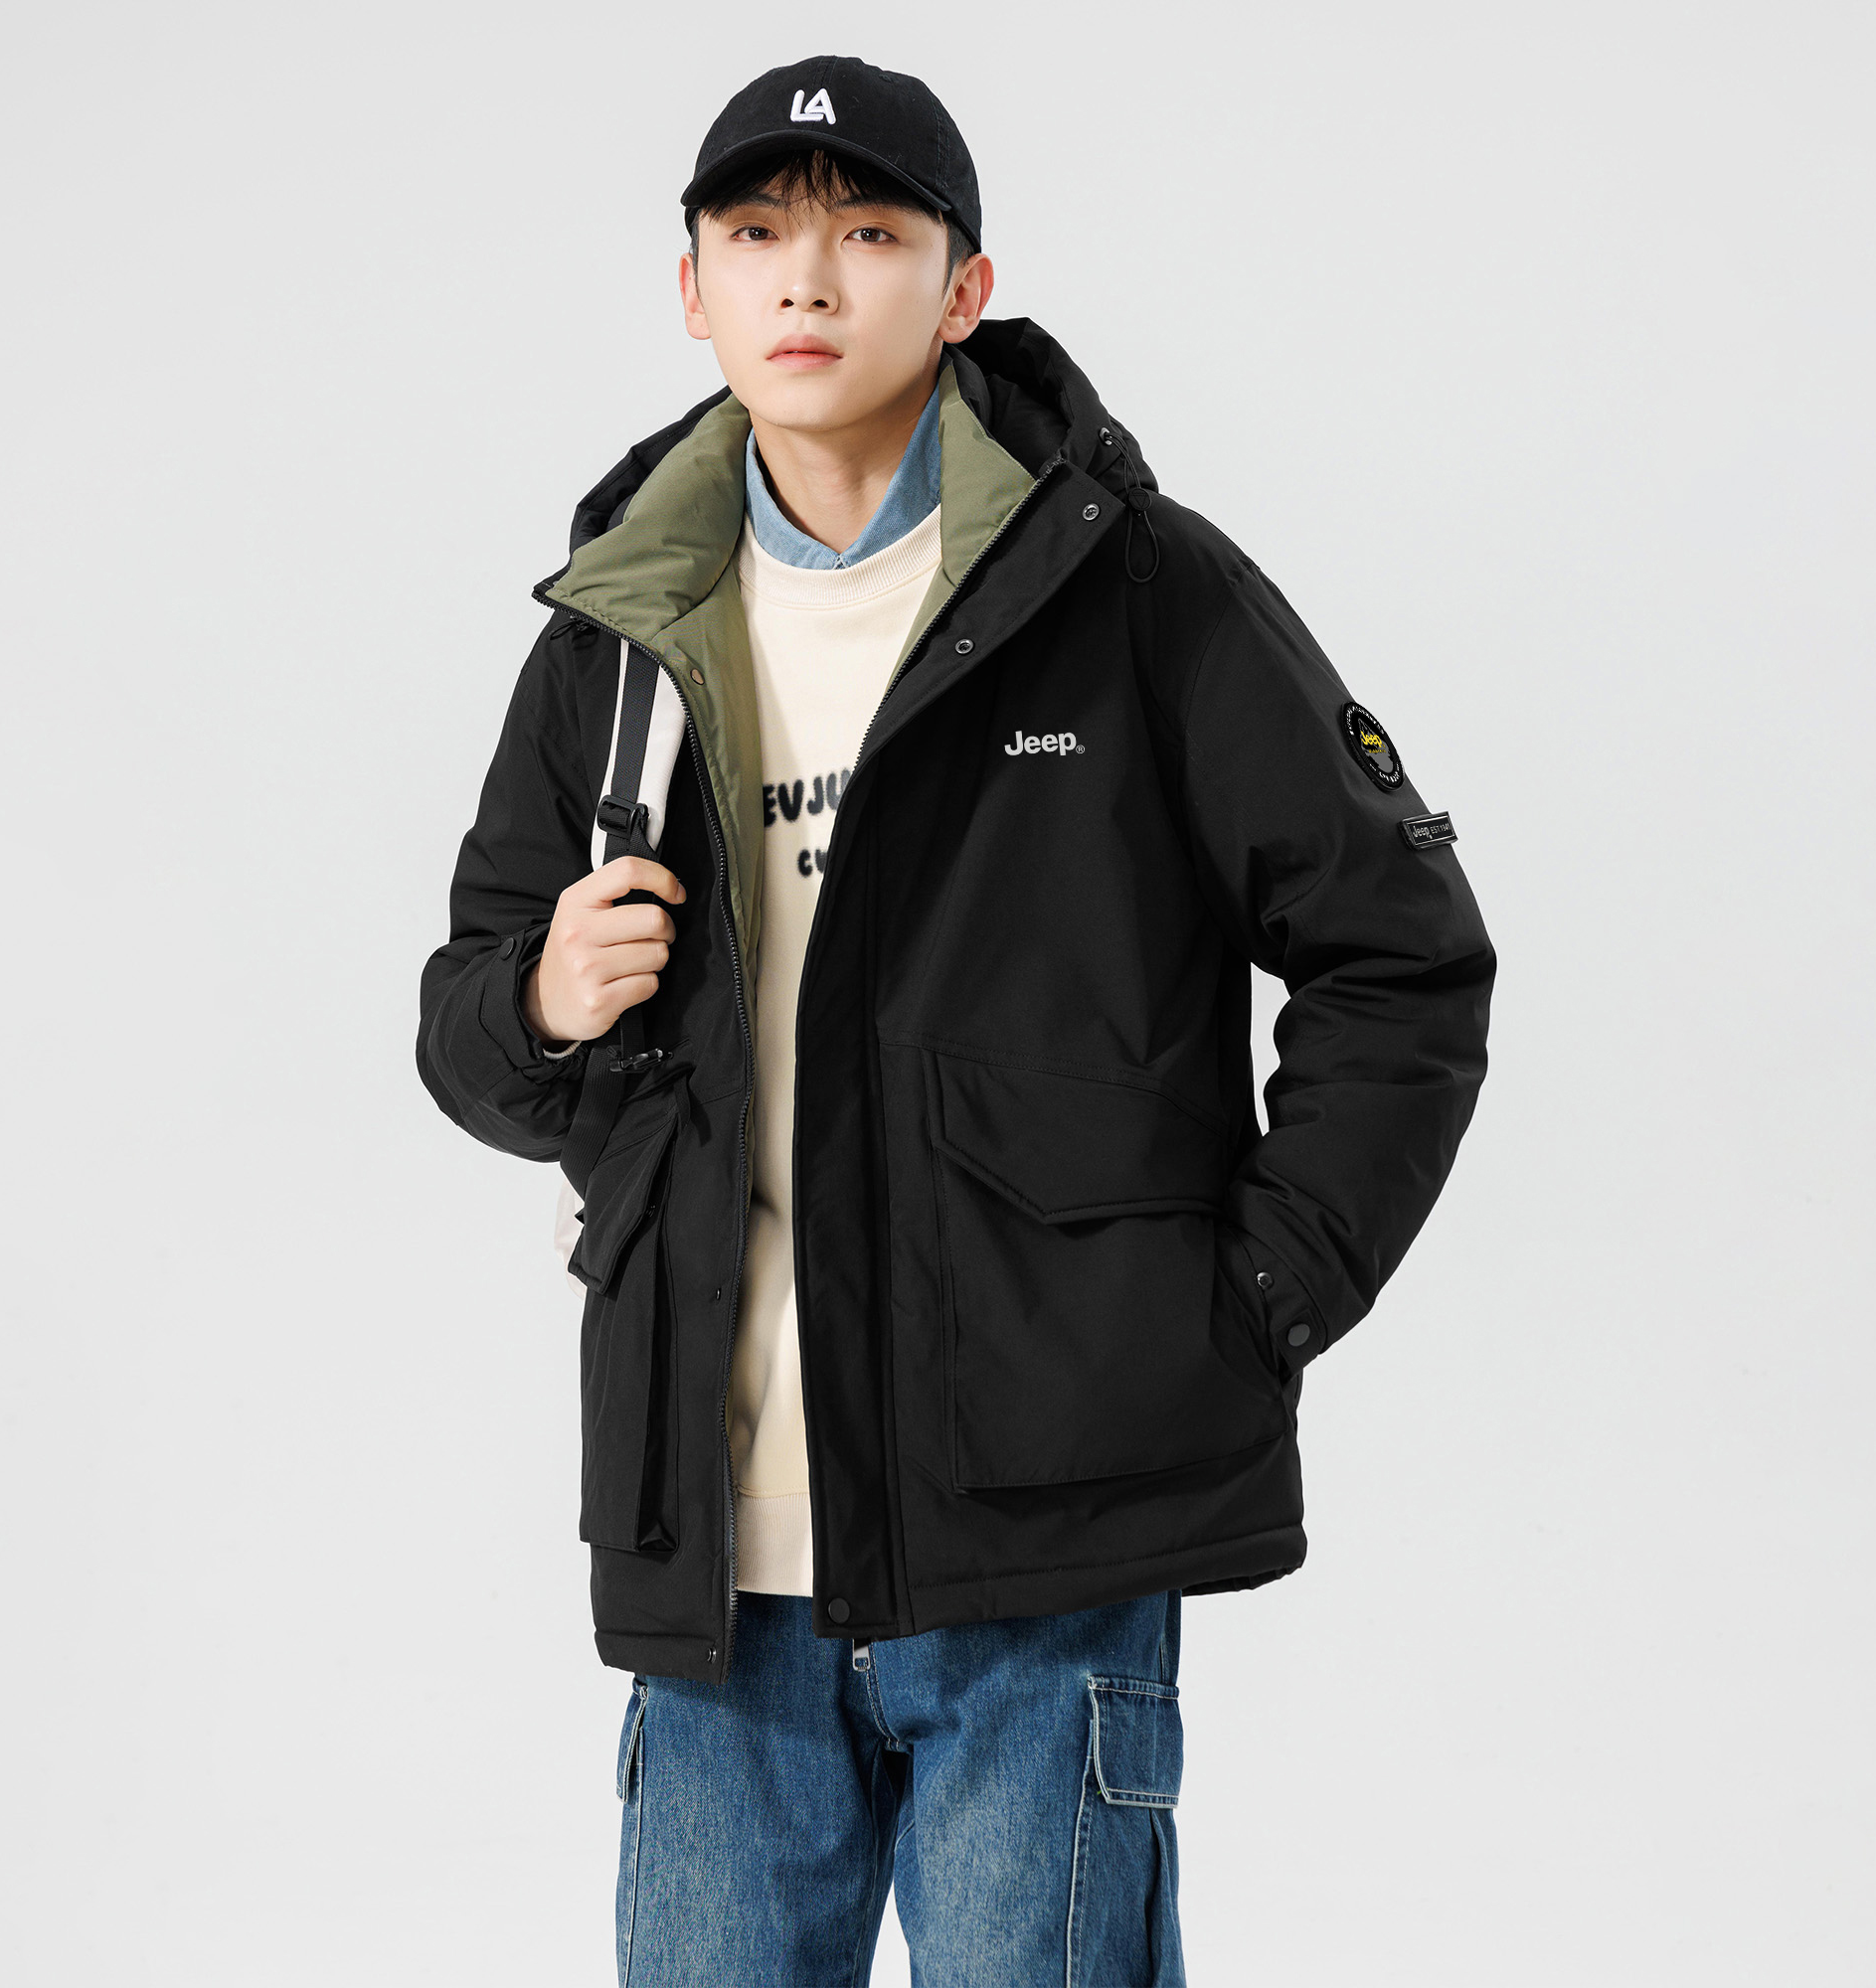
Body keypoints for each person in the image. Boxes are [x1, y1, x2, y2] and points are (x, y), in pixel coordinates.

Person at [418, 53, 1494, 1987]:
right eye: (757, 233)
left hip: (1043, 1550)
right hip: (711, 1568)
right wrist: (538, 997)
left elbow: (1398, 951)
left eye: (869, 232)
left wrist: (1256, 1297)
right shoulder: (619, 642)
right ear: (692, 290)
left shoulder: (1134, 592)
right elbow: (466, 1022)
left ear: (964, 286)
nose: (807, 278)